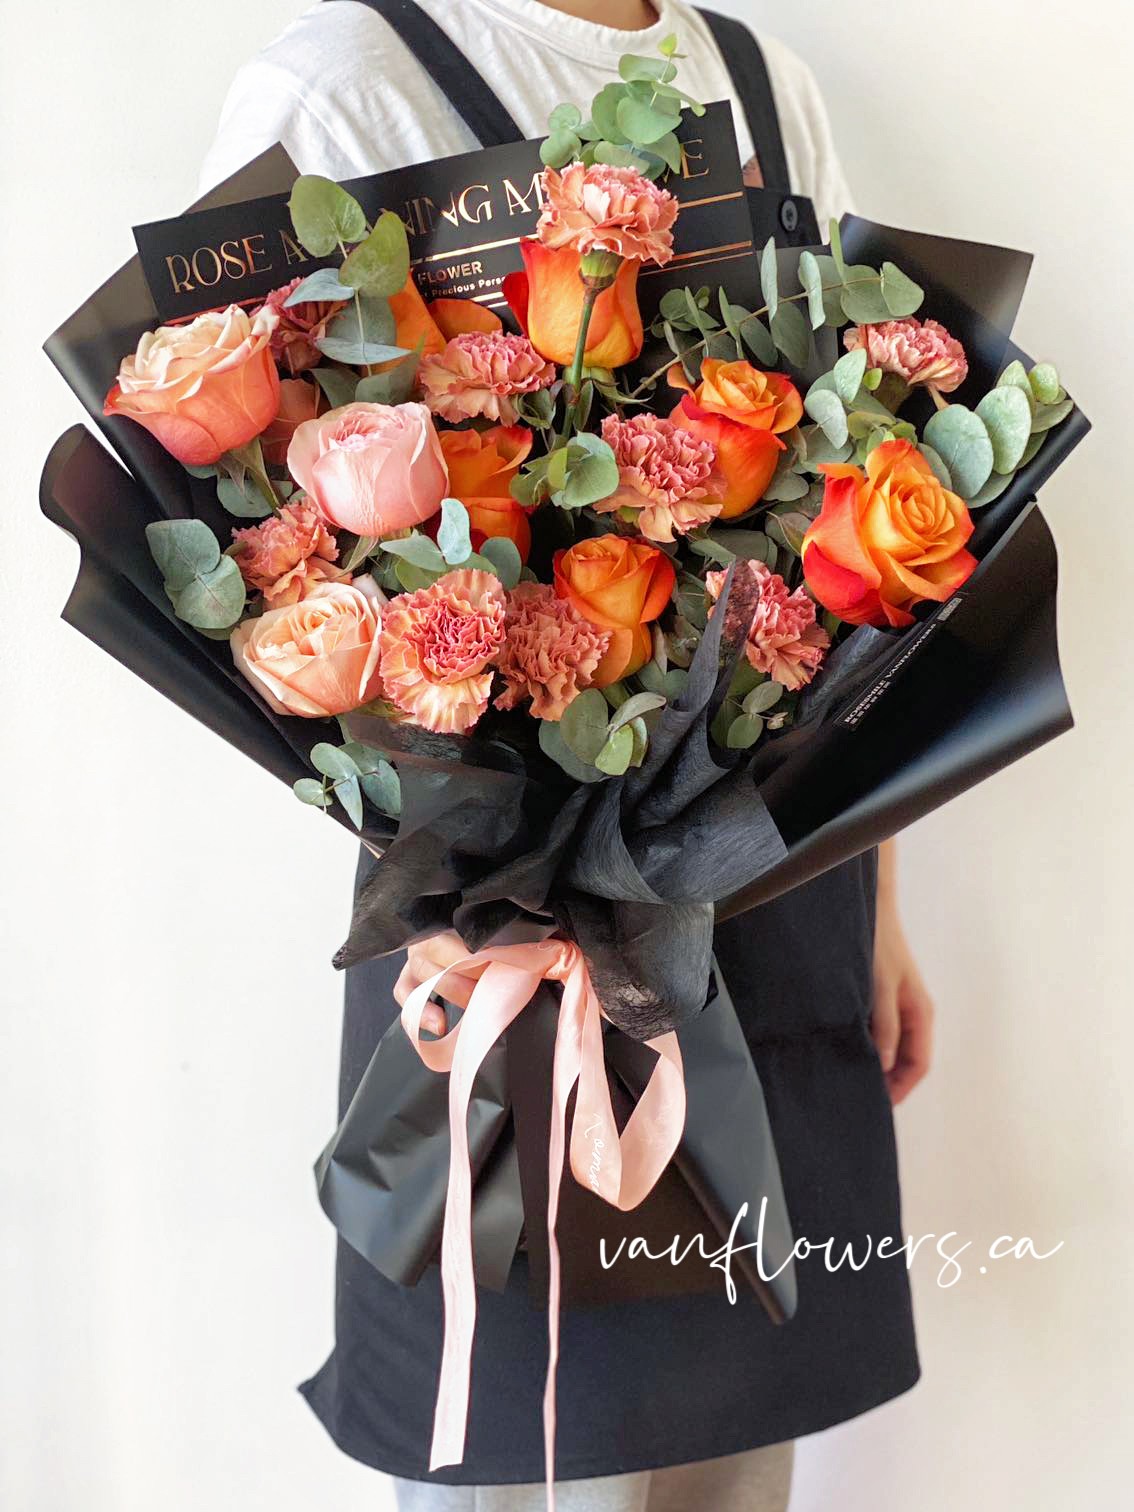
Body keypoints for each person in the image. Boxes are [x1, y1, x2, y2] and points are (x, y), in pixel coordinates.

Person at [201, 4, 936, 1509]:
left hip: (770, 892)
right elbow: (256, 553)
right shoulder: (342, 92)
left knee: (739, 1456)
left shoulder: (759, 82)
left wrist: (880, 897)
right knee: (532, 1445)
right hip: (503, 932)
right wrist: (439, 889)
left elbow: (850, 499)